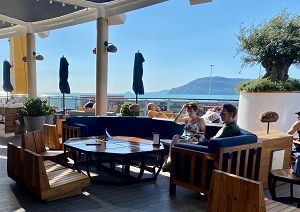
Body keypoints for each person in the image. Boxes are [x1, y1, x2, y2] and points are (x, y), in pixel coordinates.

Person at [162, 102, 206, 171]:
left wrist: (193, 132)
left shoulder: (200, 120)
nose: (189, 113)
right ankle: (170, 159)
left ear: (196, 111)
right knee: (175, 137)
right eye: (188, 112)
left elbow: (202, 133)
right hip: (185, 137)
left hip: (195, 138)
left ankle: (174, 164)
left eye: (191, 111)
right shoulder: (187, 119)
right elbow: (176, 121)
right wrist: (182, 109)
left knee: (180, 141)